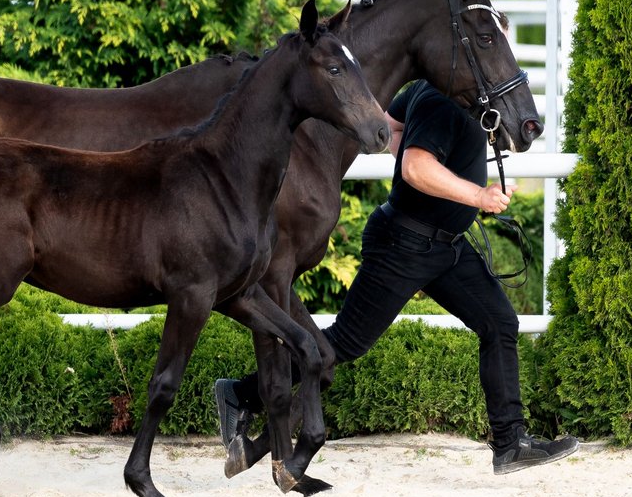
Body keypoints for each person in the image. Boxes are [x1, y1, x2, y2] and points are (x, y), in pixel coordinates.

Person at [215, 79, 578, 475]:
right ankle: (240, 393)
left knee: (500, 323)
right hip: (403, 245)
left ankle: (510, 444)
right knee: (345, 342)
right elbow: (414, 165)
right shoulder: (444, 103)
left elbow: (390, 127)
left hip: (447, 247)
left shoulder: (436, 92)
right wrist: (476, 197)